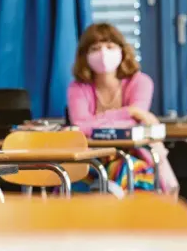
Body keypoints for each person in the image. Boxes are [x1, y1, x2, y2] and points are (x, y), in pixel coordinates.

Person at [67, 22, 179, 197]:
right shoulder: (77, 88)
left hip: (136, 157)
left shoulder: (140, 82)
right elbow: (80, 125)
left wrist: (95, 122)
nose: (103, 53)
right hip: (92, 158)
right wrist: (128, 112)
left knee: (122, 171)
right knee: (72, 178)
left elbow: (133, 125)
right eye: (95, 48)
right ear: (85, 55)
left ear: (122, 50)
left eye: (110, 46)